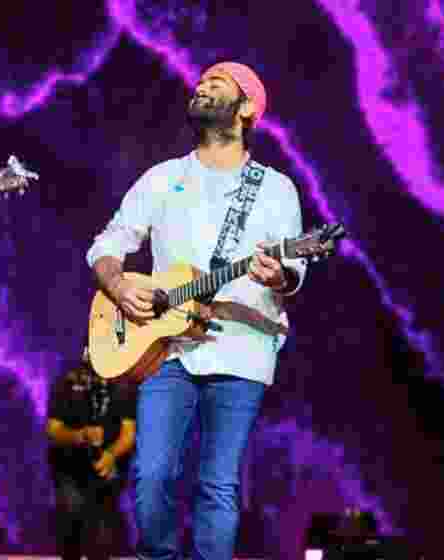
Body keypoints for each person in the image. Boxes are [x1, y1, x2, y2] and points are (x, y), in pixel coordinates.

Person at [86, 62, 309, 560]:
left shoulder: (275, 189)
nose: (202, 85)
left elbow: (293, 269)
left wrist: (280, 274)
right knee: (151, 474)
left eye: (217, 82)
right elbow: (108, 242)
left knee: (218, 483)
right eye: (201, 80)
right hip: (168, 348)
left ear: (247, 107)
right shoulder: (164, 178)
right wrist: (119, 284)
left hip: (243, 348)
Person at [46, 348, 136, 560]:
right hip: (69, 467)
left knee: (102, 534)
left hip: (106, 468)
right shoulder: (67, 382)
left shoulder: (124, 383)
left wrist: (111, 455)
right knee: (71, 517)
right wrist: (80, 436)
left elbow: (129, 433)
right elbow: (53, 429)